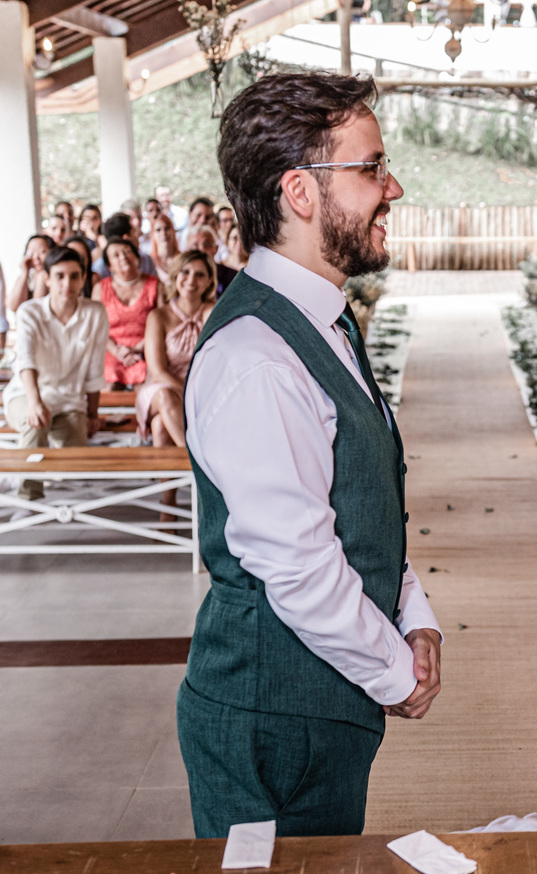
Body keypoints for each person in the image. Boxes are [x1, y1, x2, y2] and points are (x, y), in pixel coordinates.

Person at [179, 71, 441, 839]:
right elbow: (296, 564)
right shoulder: (259, 354)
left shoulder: (322, 316)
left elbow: (358, 498)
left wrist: (411, 613)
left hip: (314, 708)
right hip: (271, 719)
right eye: (369, 168)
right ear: (300, 192)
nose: (390, 187)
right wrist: (397, 674)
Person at [2, 247, 107, 504]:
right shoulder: (29, 311)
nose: (67, 284)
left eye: (74, 276)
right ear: (47, 278)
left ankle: (69, 505)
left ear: (84, 278)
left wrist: (93, 414)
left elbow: (94, 368)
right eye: (59, 276)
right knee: (35, 422)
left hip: (69, 398)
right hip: (25, 394)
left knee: (74, 457)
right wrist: (35, 402)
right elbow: (26, 362)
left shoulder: (95, 312)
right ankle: (29, 499)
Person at [137, 250, 216, 518]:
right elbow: (157, 370)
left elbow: (217, 359)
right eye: (185, 272)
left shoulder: (211, 311)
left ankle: (168, 503)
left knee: (161, 427)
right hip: (162, 388)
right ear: (176, 276)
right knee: (165, 398)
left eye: (199, 274)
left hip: (201, 390)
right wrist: (187, 395)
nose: (191, 279)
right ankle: (200, 470)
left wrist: (196, 393)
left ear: (209, 282)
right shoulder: (157, 316)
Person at [96, 236, 162, 389]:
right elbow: (97, 328)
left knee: (148, 386)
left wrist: (136, 349)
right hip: (111, 350)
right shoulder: (100, 288)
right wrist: (119, 352)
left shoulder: (155, 285)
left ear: (137, 257)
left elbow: (162, 323)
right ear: (109, 265)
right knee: (109, 384)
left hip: (147, 348)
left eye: (127, 252)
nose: (123, 257)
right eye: (116, 255)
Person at [7, 234, 53, 314]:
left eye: (42, 252)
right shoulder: (26, 277)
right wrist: (25, 273)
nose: (36, 257)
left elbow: (37, 310)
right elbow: (13, 306)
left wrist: (42, 275)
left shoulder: (55, 278)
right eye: (31, 253)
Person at [149, 213, 182, 283]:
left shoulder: (183, 259)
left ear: (173, 231)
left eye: (167, 228)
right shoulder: (148, 261)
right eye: (158, 230)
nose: (163, 233)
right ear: (152, 234)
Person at [63, 235, 96, 299]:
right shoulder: (55, 278)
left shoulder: (93, 278)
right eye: (71, 257)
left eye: (82, 258)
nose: (76, 262)